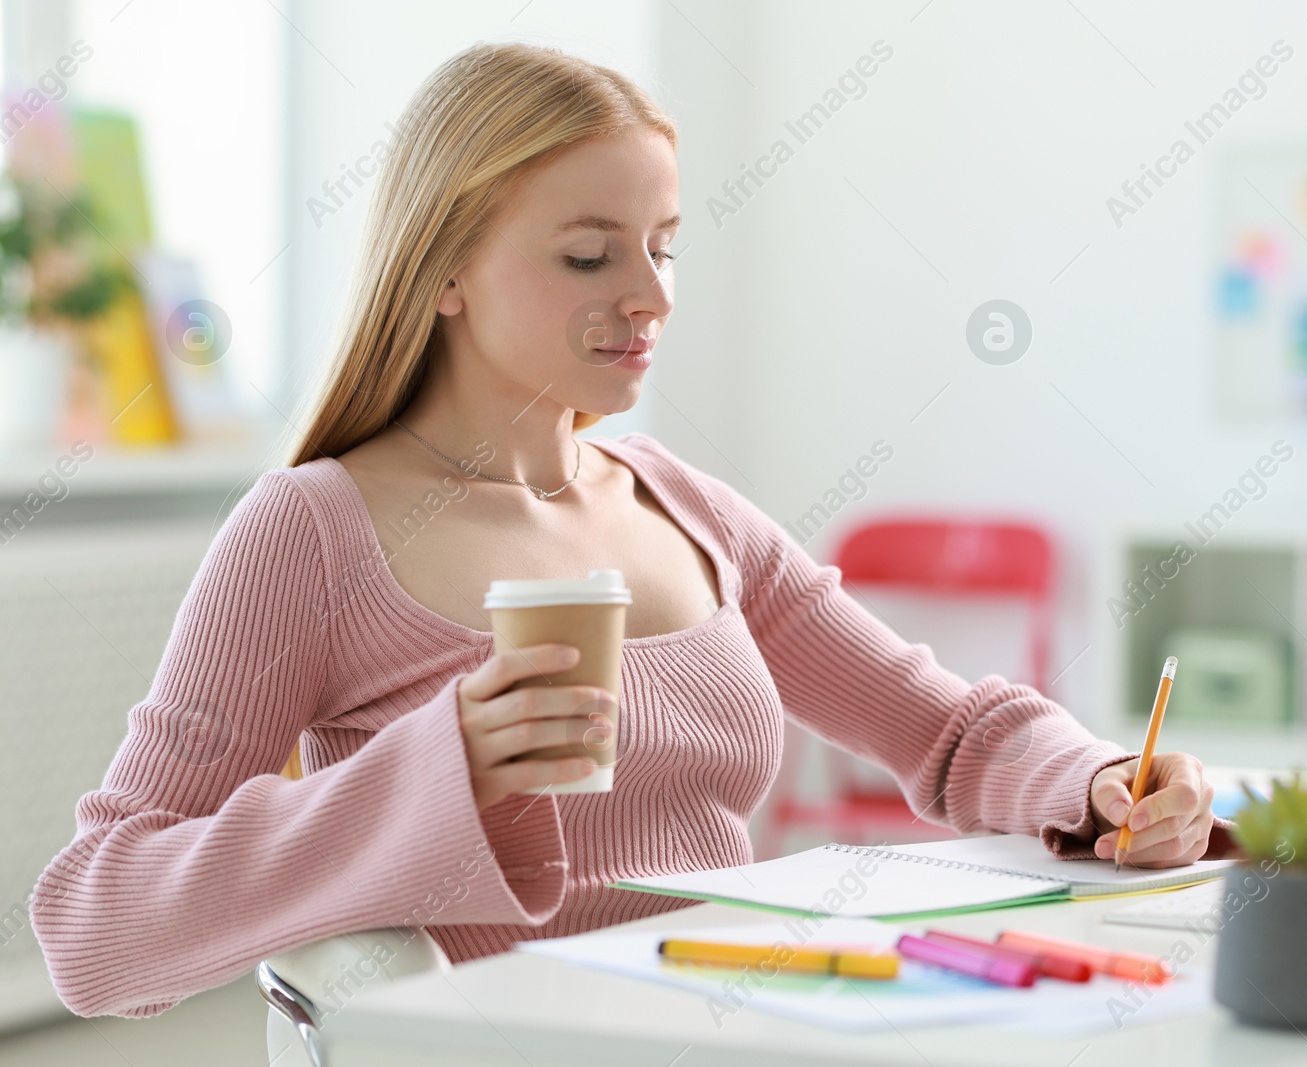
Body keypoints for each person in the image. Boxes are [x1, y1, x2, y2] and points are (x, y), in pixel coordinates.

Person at [31, 42, 1225, 1019]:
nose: (651, 296)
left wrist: (1101, 783)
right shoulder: (312, 533)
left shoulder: (682, 505)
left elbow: (947, 732)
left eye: (663, 247)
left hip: (757, 1023)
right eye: (589, 253)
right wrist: (442, 763)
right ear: (441, 268)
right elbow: (97, 926)